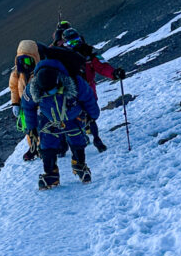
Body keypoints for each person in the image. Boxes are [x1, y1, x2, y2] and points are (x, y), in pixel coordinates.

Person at [22, 59, 100, 189]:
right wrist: (31, 128)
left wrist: (93, 115)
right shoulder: (32, 88)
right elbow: (27, 107)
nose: (48, 93)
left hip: (73, 117)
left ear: (59, 80)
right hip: (49, 120)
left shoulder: (75, 82)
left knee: (77, 140)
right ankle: (51, 174)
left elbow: (88, 98)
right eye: (46, 92)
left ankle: (79, 164)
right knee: (47, 146)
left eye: (51, 90)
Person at [53, 25, 127, 152]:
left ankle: (96, 139)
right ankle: (66, 142)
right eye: (71, 42)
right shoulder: (60, 55)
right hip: (68, 91)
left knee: (90, 115)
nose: (75, 44)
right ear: (65, 43)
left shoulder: (89, 53)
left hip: (87, 89)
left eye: (77, 41)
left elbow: (102, 66)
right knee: (68, 116)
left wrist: (114, 73)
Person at [10, 40, 41, 161]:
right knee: (29, 129)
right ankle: (33, 147)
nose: (25, 64)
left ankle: (43, 147)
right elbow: (14, 89)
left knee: (41, 127)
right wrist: (15, 104)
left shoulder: (40, 72)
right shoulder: (17, 74)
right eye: (21, 60)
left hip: (38, 106)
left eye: (28, 60)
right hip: (25, 107)